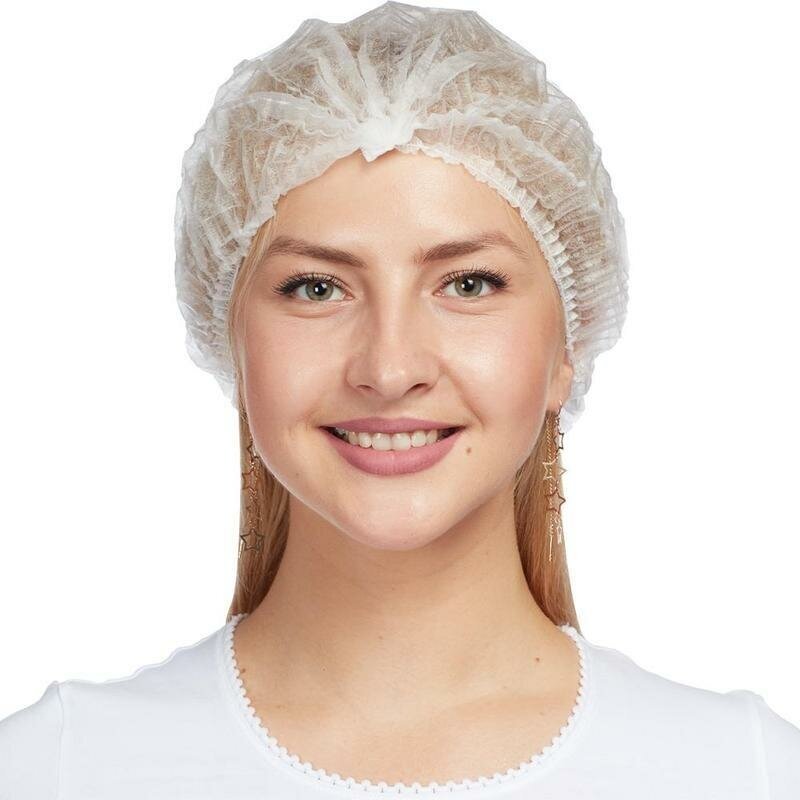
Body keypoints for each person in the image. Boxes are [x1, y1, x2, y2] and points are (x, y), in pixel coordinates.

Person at [2, 2, 798, 798]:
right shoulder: (57, 768)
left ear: (569, 344)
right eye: (316, 287)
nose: (389, 369)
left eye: (468, 283)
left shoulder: (744, 771)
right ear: (232, 340)